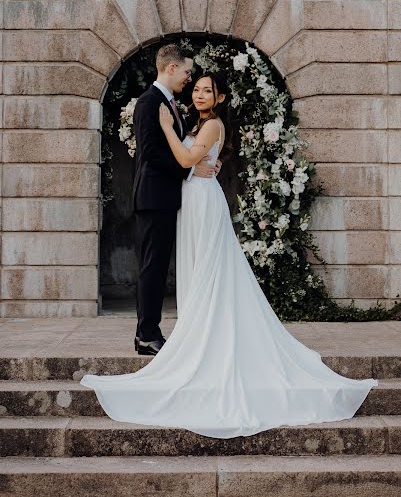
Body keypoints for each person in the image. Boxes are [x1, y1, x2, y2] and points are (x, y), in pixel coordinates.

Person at [81, 70, 378, 439]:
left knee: (209, 270)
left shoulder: (211, 125)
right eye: (198, 89)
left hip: (203, 203)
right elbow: (192, 162)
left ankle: (205, 336)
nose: (201, 94)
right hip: (191, 201)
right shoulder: (197, 121)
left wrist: (169, 131)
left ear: (220, 98)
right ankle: (195, 329)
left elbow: (189, 159)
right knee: (197, 268)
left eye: (208, 90)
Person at [131, 44, 222, 356]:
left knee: (158, 266)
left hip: (168, 197)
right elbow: (151, 152)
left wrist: (203, 160)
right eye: (186, 72)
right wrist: (191, 169)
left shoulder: (169, 103)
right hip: (154, 197)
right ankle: (146, 334)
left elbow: (182, 146)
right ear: (171, 69)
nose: (188, 78)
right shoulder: (149, 102)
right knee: (152, 267)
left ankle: (152, 330)